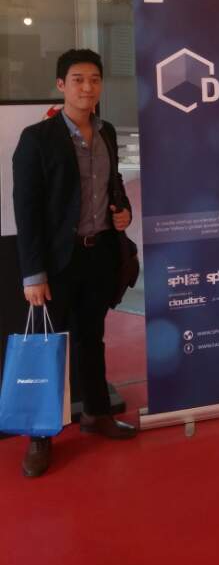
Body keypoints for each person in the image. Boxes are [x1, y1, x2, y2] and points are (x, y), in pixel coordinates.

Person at [12, 48, 138, 478]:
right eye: (79, 79)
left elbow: (113, 184)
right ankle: (40, 436)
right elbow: (25, 210)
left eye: (95, 80)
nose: (88, 88)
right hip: (57, 262)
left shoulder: (105, 133)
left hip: (98, 253)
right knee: (50, 349)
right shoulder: (37, 139)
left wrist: (123, 212)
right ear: (62, 85)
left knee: (92, 338)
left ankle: (96, 414)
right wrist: (33, 273)